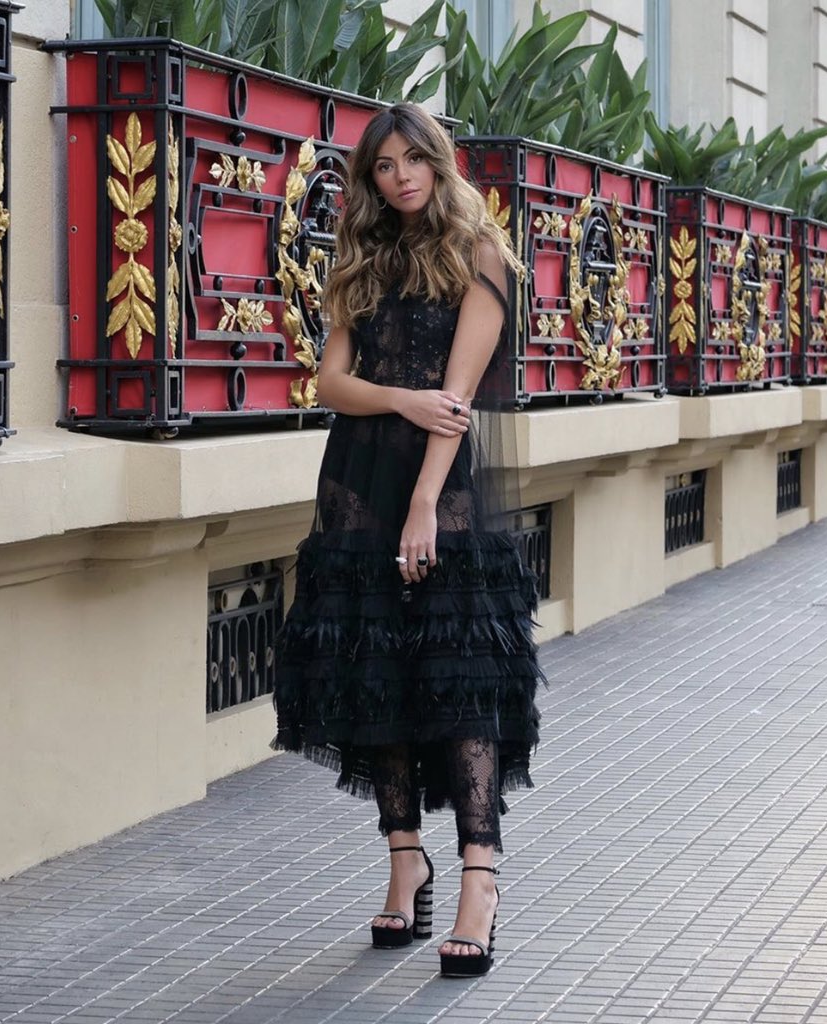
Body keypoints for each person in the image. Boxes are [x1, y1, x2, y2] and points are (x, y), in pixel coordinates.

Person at [270, 102, 543, 979]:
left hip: (441, 486)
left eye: (412, 160)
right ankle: (404, 865)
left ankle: (479, 883)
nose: (401, 178)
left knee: (457, 680)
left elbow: (456, 403)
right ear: (371, 178)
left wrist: (425, 502)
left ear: (439, 160)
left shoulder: (481, 256)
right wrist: (399, 397)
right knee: (377, 672)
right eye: (384, 166)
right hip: (357, 484)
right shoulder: (359, 262)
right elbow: (332, 384)